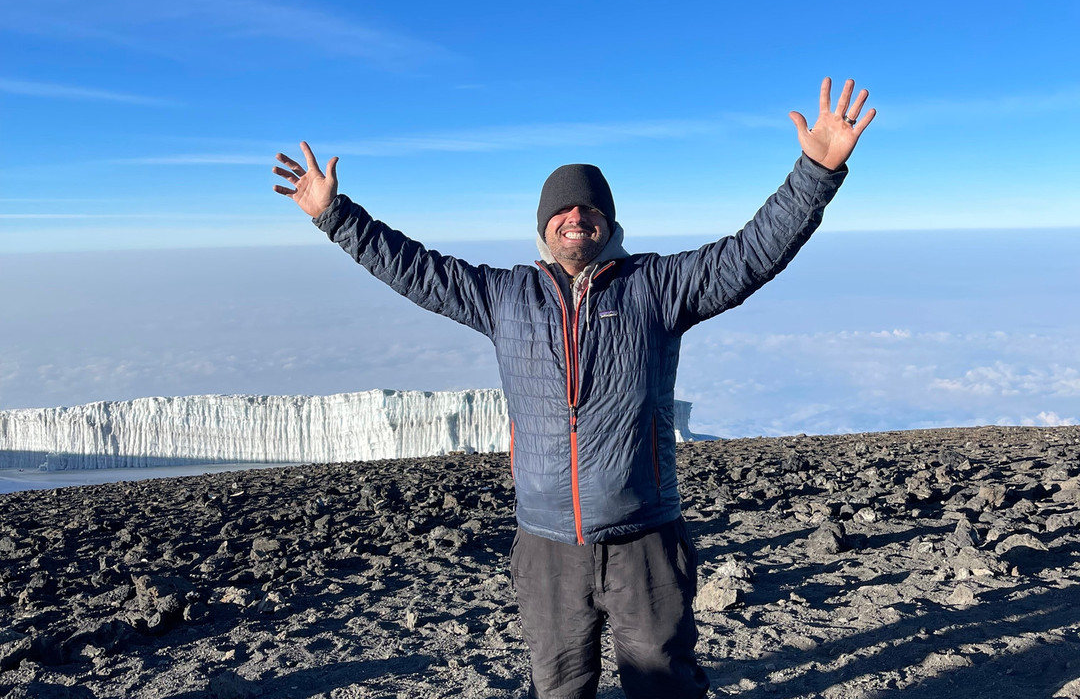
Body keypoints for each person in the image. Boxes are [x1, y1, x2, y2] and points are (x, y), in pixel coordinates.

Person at [272, 78, 875, 698]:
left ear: (608, 221)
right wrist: (333, 216)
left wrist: (816, 173)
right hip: (546, 544)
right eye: (562, 209)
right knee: (559, 689)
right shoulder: (504, 296)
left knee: (664, 685)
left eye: (589, 208)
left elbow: (751, 253)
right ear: (544, 226)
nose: (576, 216)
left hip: (644, 536)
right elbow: (414, 268)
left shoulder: (657, 287)